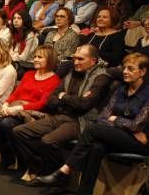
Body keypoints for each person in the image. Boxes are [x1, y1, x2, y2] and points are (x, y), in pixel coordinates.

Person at [36, 53, 149, 195]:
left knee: (92, 130)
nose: (125, 71)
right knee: (96, 147)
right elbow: (103, 117)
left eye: (130, 69)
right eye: (124, 68)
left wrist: (117, 119)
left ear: (143, 72)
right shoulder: (120, 90)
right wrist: (124, 124)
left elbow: (137, 124)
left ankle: (64, 172)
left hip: (142, 143)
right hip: (122, 136)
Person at [11, 44, 111, 180]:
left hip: (80, 121)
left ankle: (60, 179)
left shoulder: (101, 77)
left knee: (48, 141)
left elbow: (84, 104)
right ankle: (38, 168)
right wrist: (66, 98)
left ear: (93, 61)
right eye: (74, 59)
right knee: (20, 131)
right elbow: (51, 100)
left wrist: (63, 96)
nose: (75, 62)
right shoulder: (71, 73)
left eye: (80, 59)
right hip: (60, 115)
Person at [0, 45, 60, 170]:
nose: (35, 59)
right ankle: (7, 156)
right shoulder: (29, 74)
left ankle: (20, 158)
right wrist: (7, 103)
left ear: (50, 60)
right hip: (15, 107)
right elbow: (16, 93)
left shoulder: (54, 80)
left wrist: (20, 108)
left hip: (33, 112)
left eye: (40, 57)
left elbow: (42, 104)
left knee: (7, 123)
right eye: (35, 56)